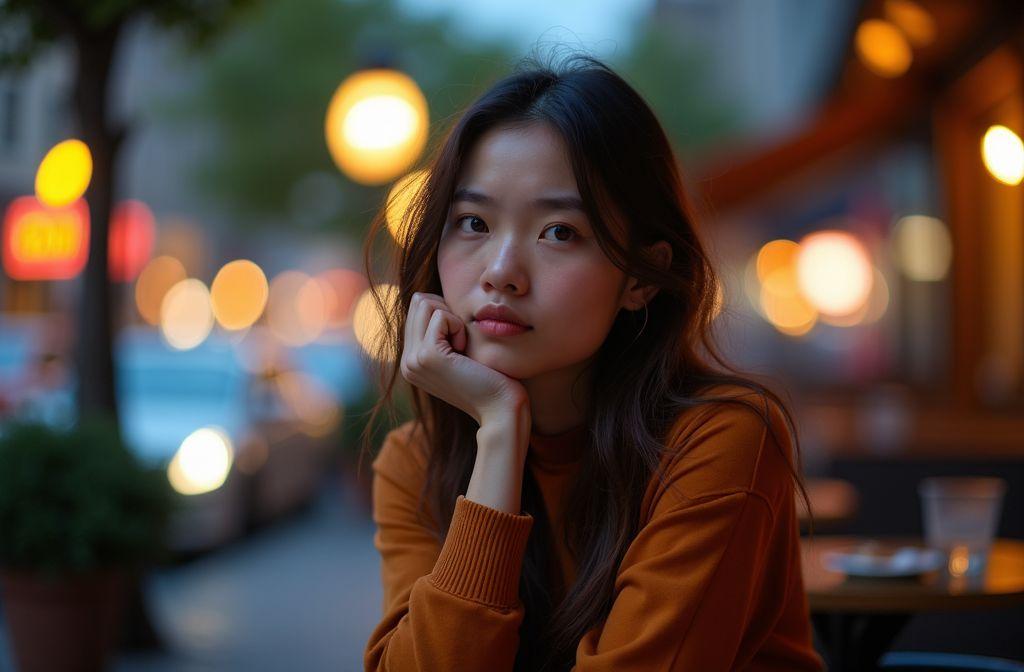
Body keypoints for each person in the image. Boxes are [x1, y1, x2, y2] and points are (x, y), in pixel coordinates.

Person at [360, 53, 825, 672]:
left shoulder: (720, 440)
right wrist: (500, 434)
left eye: (559, 232)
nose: (500, 272)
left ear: (640, 276)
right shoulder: (415, 463)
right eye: (473, 222)